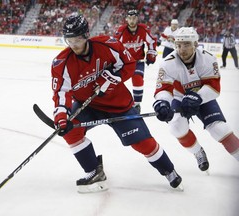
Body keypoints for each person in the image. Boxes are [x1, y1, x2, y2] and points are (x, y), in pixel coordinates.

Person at [51, 14, 182, 193]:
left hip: (118, 105)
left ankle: (169, 170)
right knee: (70, 132)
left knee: (143, 143)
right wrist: (61, 117)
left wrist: (116, 77)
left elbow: (129, 63)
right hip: (87, 105)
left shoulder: (108, 45)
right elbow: (61, 93)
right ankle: (94, 172)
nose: (74, 44)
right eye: (69, 40)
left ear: (86, 35)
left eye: (77, 39)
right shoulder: (61, 63)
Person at [153, 27, 239, 173]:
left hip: (203, 97)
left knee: (220, 129)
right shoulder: (167, 63)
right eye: (178, 45)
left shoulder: (208, 58)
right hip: (179, 97)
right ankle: (197, 152)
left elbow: (213, 87)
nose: (182, 49)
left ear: (196, 44)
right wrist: (162, 103)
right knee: (176, 127)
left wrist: (197, 96)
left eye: (186, 44)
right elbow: (163, 90)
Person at [113, 9, 157, 113]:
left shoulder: (143, 29)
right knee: (117, 81)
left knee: (137, 79)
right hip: (124, 62)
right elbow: (114, 45)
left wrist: (151, 53)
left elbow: (152, 41)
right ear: (126, 19)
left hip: (138, 61)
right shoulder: (121, 30)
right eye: (130, 18)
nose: (132, 21)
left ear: (137, 19)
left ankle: (137, 104)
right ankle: (117, 102)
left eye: (134, 18)